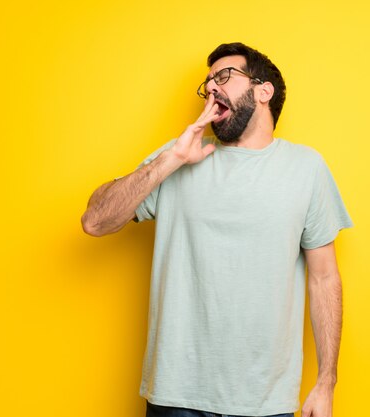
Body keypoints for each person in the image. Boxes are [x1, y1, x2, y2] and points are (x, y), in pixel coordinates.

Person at [81, 42, 353, 417]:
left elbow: (325, 279)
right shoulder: (180, 156)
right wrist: (171, 159)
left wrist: (326, 383)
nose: (210, 87)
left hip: (263, 401)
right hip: (175, 396)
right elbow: (95, 221)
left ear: (263, 90)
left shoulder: (306, 168)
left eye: (224, 76)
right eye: (207, 83)